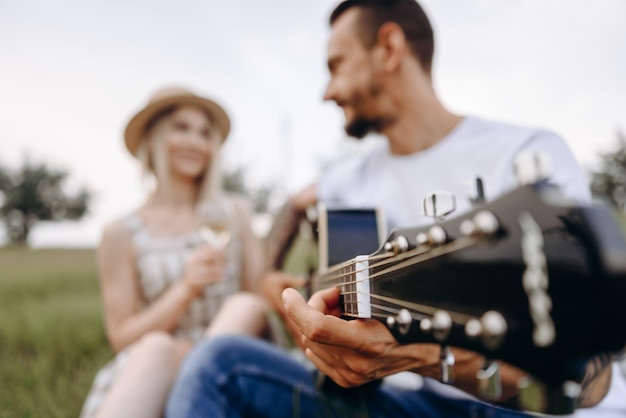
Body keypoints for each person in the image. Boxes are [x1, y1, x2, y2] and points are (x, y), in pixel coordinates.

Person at [165, 1, 626, 417]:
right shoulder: (351, 175)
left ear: (388, 47)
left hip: (525, 411)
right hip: (406, 402)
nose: (328, 91)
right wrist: (273, 280)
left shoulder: (523, 154)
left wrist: (416, 355)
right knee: (216, 362)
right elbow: (291, 205)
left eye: (337, 65)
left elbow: (593, 378)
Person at [79, 86, 269, 418]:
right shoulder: (120, 232)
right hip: (158, 359)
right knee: (155, 347)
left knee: (243, 305)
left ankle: (200, 370)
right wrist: (186, 289)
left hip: (232, 344)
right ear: (153, 138)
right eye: (181, 128)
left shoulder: (235, 212)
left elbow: (260, 302)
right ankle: (190, 379)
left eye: (204, 133)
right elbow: (122, 337)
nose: (195, 142)